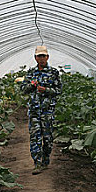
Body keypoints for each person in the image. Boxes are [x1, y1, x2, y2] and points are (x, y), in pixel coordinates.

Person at [20, 46, 62, 175]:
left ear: (47, 57)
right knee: (35, 137)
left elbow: (58, 90)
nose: (41, 58)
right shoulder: (31, 73)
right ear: (35, 58)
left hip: (47, 111)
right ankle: (37, 163)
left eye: (44, 56)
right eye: (39, 56)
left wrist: (46, 90)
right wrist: (31, 86)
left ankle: (45, 160)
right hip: (34, 110)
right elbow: (23, 89)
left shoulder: (53, 73)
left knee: (48, 138)